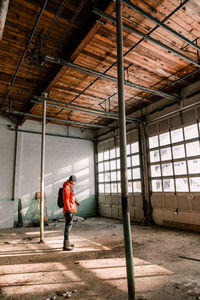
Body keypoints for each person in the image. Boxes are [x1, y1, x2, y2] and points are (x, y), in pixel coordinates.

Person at [62, 175, 79, 251]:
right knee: (68, 227)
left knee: (69, 226)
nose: (74, 184)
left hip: (70, 209)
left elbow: (70, 198)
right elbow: (66, 201)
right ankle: (66, 245)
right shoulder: (66, 188)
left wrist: (75, 202)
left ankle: (67, 243)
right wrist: (68, 211)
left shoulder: (69, 187)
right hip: (68, 210)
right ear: (71, 181)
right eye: (74, 182)